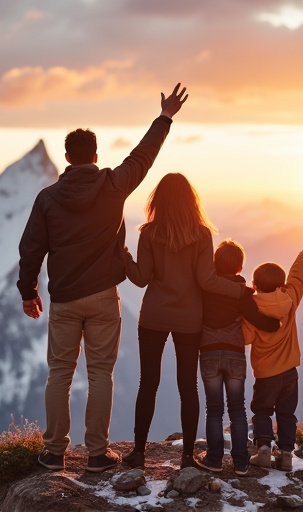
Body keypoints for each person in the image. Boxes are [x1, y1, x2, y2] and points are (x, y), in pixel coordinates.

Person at [16, 83, 189, 473]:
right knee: (100, 374)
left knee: (59, 373)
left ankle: (54, 452)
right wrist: (165, 117)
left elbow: (31, 250)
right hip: (102, 297)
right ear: (95, 156)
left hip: (63, 298)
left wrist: (28, 291)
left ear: (66, 158)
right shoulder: (113, 185)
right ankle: (97, 453)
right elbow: (143, 157)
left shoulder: (47, 198)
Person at [120, 173, 279, 470]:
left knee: (148, 383)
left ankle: (138, 452)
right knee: (188, 386)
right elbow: (206, 281)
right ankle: (187, 457)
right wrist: (240, 290)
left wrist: (124, 255)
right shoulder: (202, 234)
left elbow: (140, 278)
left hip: (154, 315)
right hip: (189, 318)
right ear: (191, 201)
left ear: (158, 200)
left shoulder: (150, 232)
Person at [245, 226, 303, 471]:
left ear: (255, 285)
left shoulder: (252, 310)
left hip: (266, 374)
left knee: (261, 410)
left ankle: (262, 449)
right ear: (281, 284)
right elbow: (297, 273)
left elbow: (246, 337)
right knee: (286, 414)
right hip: (290, 372)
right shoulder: (290, 297)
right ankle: (286, 455)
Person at [196, 239, 280, 476]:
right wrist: (276, 324)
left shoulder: (206, 290)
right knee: (238, 410)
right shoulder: (242, 294)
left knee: (214, 410)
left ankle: (214, 459)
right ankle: (241, 462)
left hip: (209, 353)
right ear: (240, 268)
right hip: (234, 354)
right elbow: (257, 319)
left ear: (214, 264)